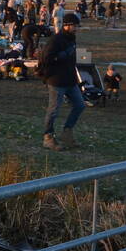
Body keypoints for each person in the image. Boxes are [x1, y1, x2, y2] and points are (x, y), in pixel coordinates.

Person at [40, 13, 84, 151]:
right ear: (66, 25)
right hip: (56, 80)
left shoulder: (72, 39)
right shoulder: (56, 40)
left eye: (77, 26)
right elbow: (47, 58)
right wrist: (64, 55)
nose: (76, 28)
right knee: (53, 110)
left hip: (70, 80)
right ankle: (48, 137)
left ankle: (67, 133)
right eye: (74, 26)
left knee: (80, 105)